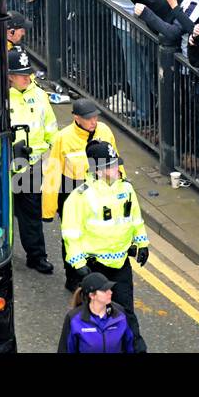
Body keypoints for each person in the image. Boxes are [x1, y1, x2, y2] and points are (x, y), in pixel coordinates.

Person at [62, 140, 150, 352]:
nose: (116, 168)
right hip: (94, 267)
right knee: (93, 315)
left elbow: (135, 219)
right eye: (111, 165)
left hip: (120, 263)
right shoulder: (80, 197)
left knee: (126, 312)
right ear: (98, 169)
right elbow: (71, 233)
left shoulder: (126, 188)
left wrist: (142, 243)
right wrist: (79, 264)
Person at [43, 98, 120, 290]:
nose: (93, 121)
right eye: (88, 118)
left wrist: (119, 186)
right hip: (72, 191)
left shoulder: (105, 131)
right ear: (76, 118)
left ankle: (96, 277)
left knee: (96, 233)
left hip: (98, 189)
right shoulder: (64, 138)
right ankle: (73, 279)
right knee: (71, 237)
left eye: (95, 117)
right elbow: (53, 172)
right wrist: (48, 209)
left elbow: (115, 161)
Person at [7, 48, 58, 274]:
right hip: (3, 164)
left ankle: (36, 256)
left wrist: (48, 151)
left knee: (31, 214)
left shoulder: (39, 94)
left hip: (30, 166)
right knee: (1, 212)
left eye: (28, 73)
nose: (27, 78)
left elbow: (51, 128)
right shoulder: (0, 96)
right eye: (21, 74)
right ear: (9, 75)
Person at [57, 271, 136, 353]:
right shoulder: (74, 319)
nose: (110, 292)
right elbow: (65, 350)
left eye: (109, 289)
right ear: (92, 295)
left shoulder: (120, 314)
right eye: (105, 290)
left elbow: (131, 345)